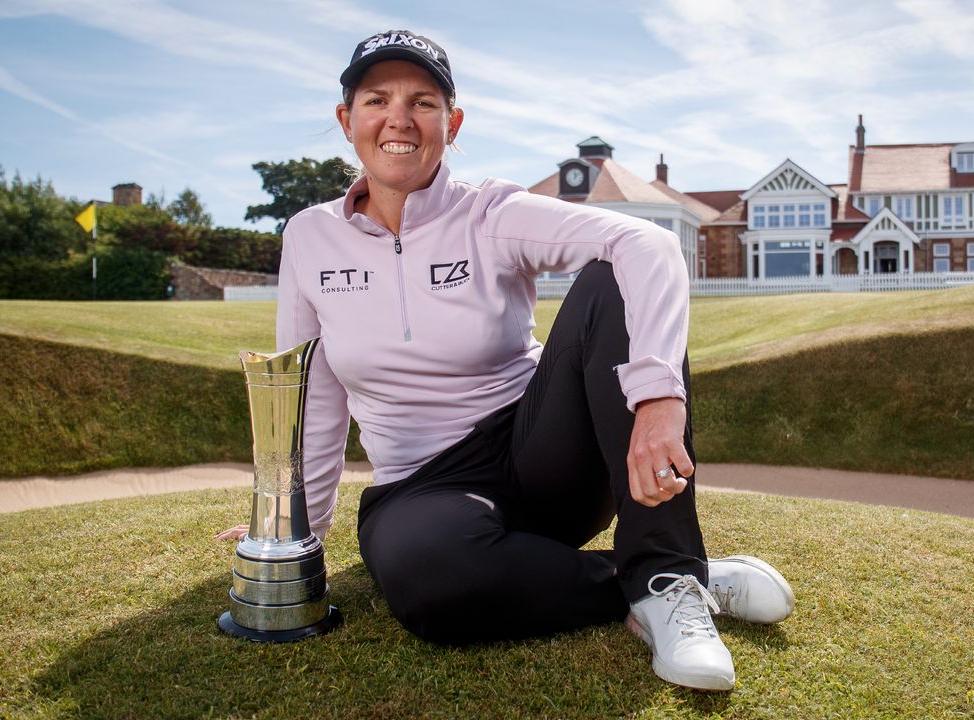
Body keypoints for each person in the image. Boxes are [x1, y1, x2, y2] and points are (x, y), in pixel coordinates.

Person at [218, 29, 794, 692]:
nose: (399, 119)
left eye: (423, 102)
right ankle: (666, 578)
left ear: (452, 123)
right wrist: (299, 530)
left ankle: (665, 572)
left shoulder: (490, 211)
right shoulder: (311, 237)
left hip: (540, 453)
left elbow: (649, 248)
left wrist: (660, 397)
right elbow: (314, 391)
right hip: (421, 488)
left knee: (612, 277)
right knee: (428, 581)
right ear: (347, 120)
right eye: (377, 100)